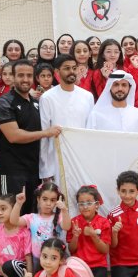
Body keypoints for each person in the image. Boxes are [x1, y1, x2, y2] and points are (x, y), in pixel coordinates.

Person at [0, 60, 60, 212]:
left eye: (29, 75)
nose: (25, 79)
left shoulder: (36, 103)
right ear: (13, 77)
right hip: (12, 171)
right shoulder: (4, 103)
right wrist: (47, 133)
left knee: (31, 215)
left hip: (34, 170)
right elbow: (14, 136)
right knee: (11, 213)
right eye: (21, 75)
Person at [39, 54, 94, 185]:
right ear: (57, 72)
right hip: (57, 159)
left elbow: (91, 130)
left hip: (82, 157)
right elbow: (44, 134)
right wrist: (45, 170)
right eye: (67, 68)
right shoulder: (47, 98)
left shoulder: (87, 96)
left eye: (74, 68)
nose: (71, 72)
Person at [68, 186, 111, 277]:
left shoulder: (104, 222)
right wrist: (76, 236)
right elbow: (71, 250)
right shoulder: (74, 222)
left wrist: (93, 235)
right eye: (81, 204)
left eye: (89, 203)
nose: (85, 206)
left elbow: (105, 250)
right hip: (79, 267)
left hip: (98, 266)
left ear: (97, 205)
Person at [10, 182, 70, 269]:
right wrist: (18, 203)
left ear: (57, 201)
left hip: (56, 260)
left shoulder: (59, 216)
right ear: (38, 199)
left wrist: (64, 210)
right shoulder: (32, 218)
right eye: (45, 199)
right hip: (38, 260)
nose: (48, 203)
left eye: (52, 200)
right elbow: (14, 221)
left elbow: (67, 226)